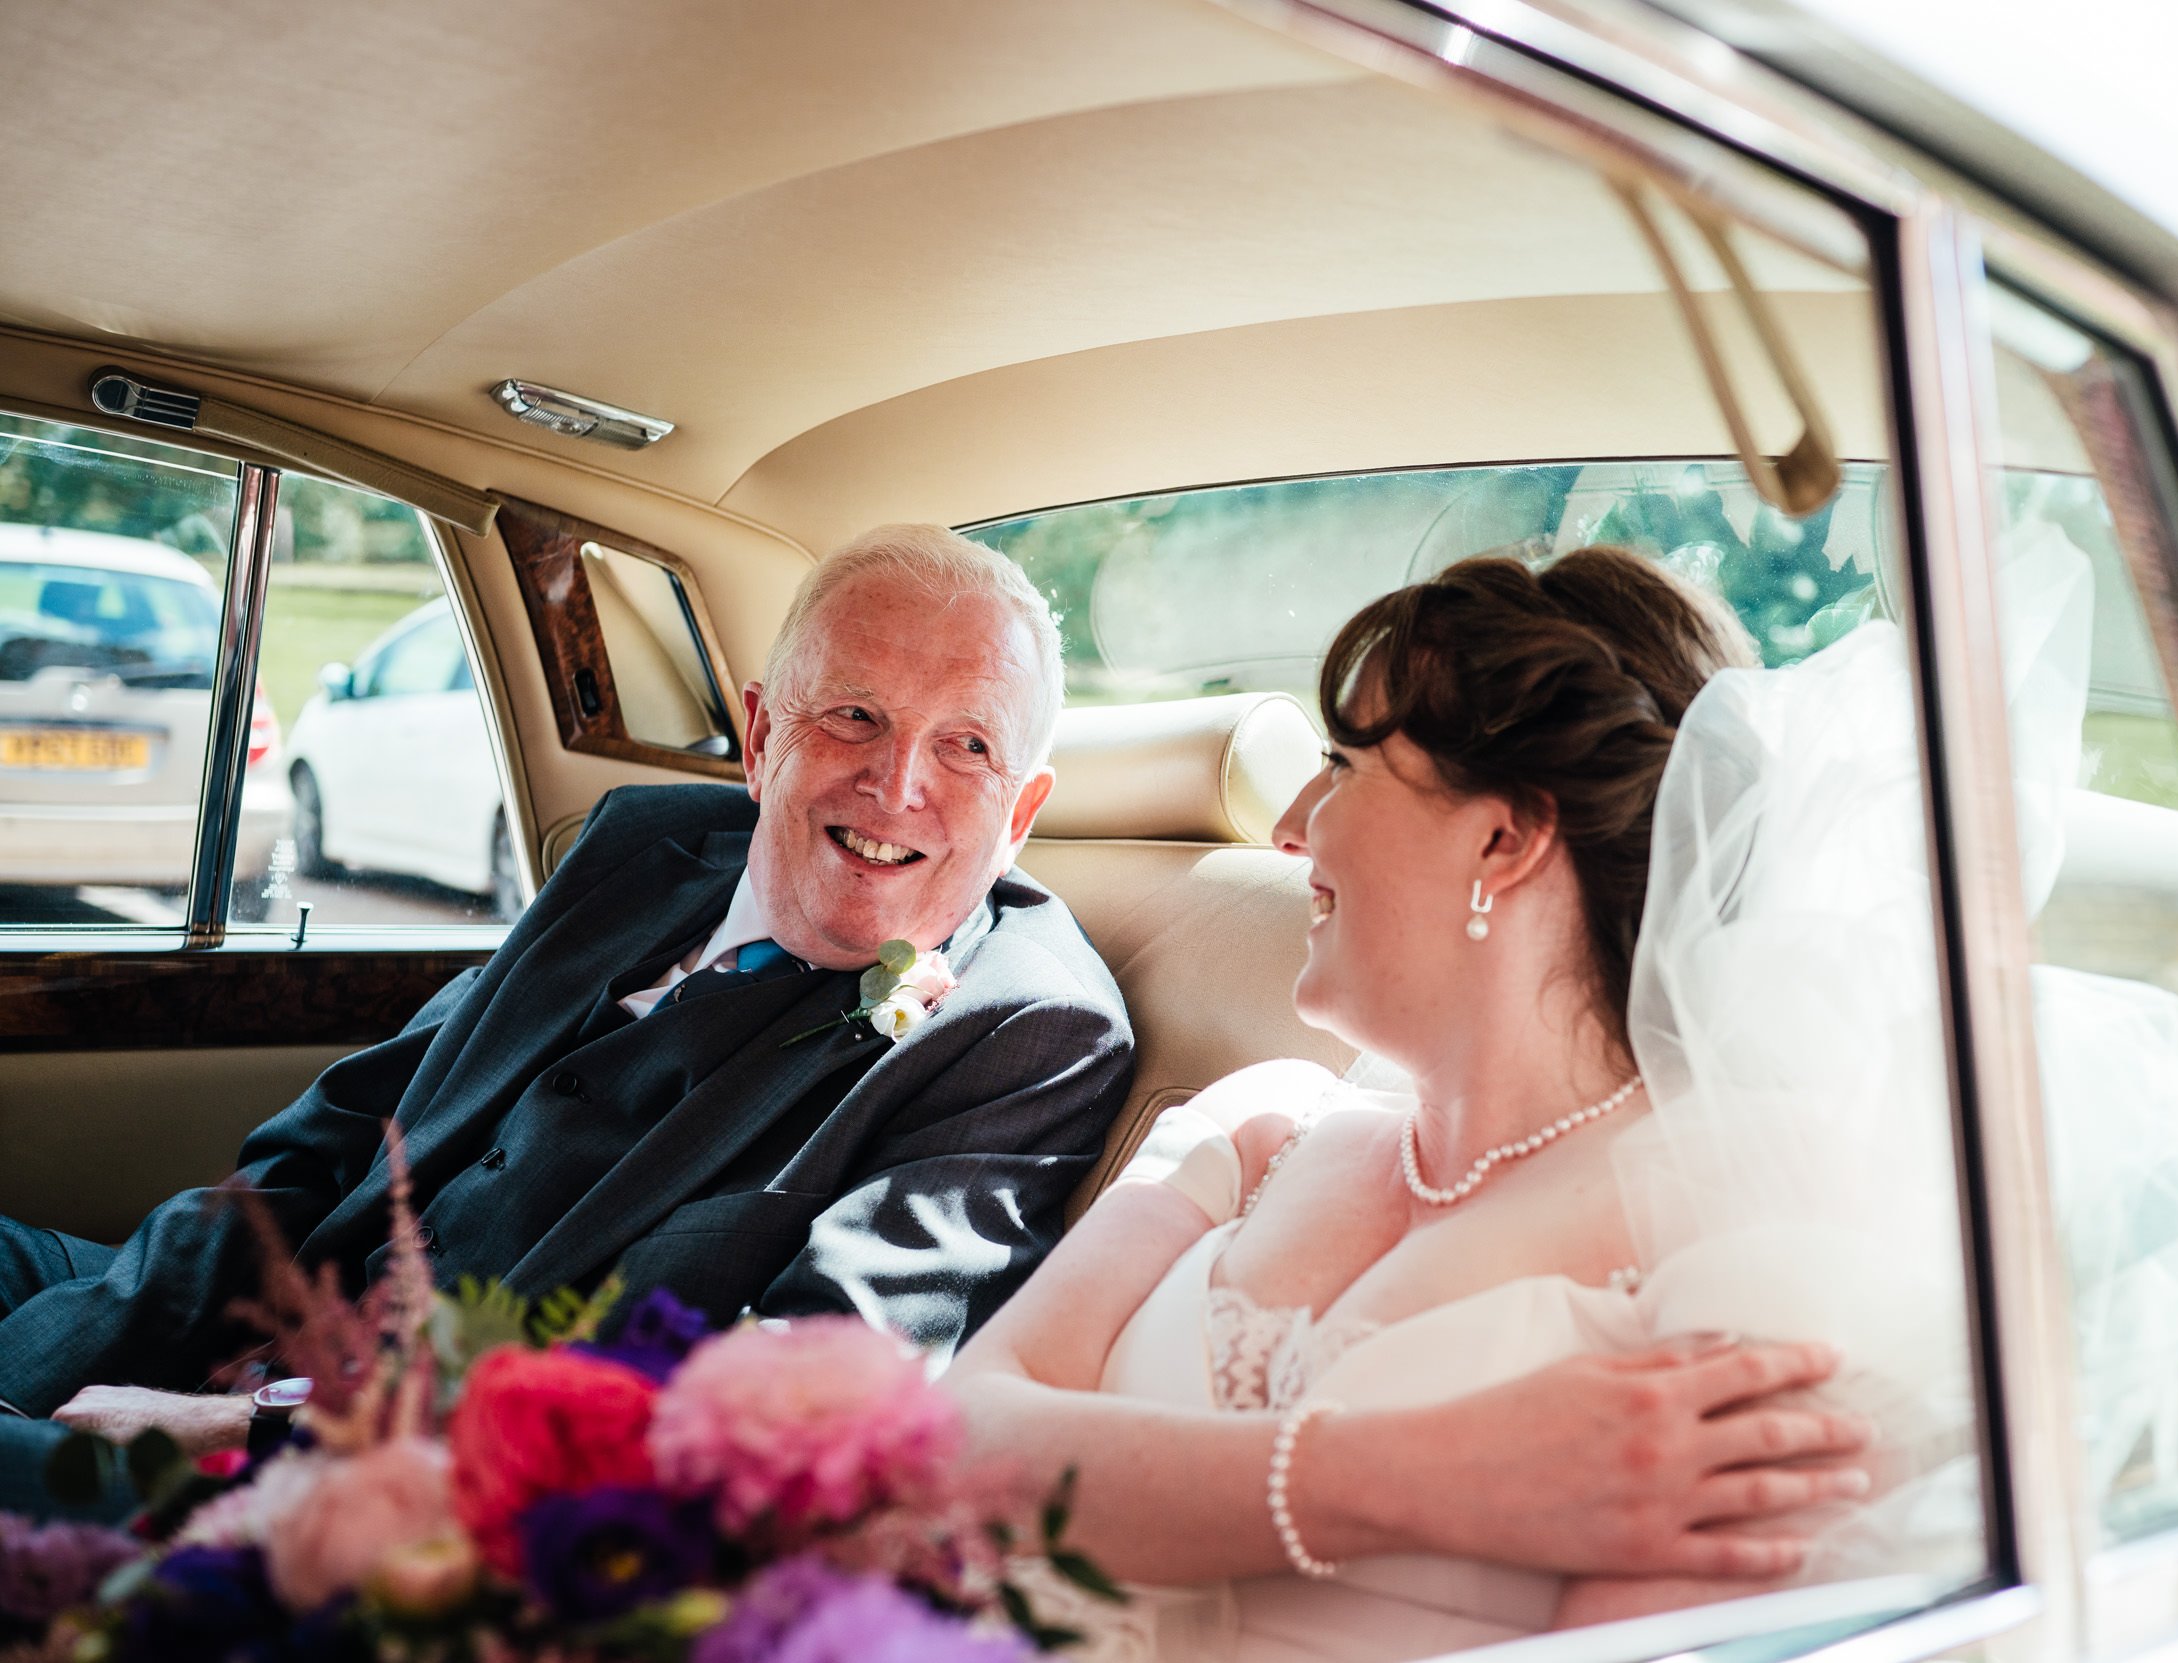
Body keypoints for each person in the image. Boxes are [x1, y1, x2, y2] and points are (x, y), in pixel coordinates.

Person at [0, 524, 1135, 1512]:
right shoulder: (644, 846)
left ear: (1022, 810)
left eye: (967, 744)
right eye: (853, 714)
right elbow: (343, 1132)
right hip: (250, 1320)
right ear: (759, 737)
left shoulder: (1028, 1028)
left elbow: (785, 1402)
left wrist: (245, 1436)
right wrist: (82, 1347)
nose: (896, 786)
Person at [946, 548, 1912, 1661]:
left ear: (1502, 836)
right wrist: (1408, 1478)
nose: (1291, 826)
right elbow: (967, 1435)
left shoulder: (1748, 1205)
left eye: (1343, 766)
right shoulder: (1262, 1120)